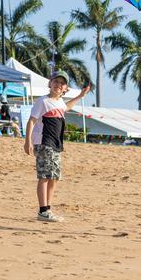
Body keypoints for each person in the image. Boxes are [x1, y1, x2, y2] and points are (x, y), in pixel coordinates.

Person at [24, 72, 90, 222]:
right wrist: (27, 141)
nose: (58, 85)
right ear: (50, 83)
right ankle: (43, 210)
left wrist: (80, 96)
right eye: (56, 81)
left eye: (62, 83)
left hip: (56, 144)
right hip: (43, 142)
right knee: (44, 177)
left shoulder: (59, 102)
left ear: (65, 88)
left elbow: (66, 107)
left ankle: (48, 209)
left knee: (54, 177)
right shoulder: (43, 101)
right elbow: (31, 121)